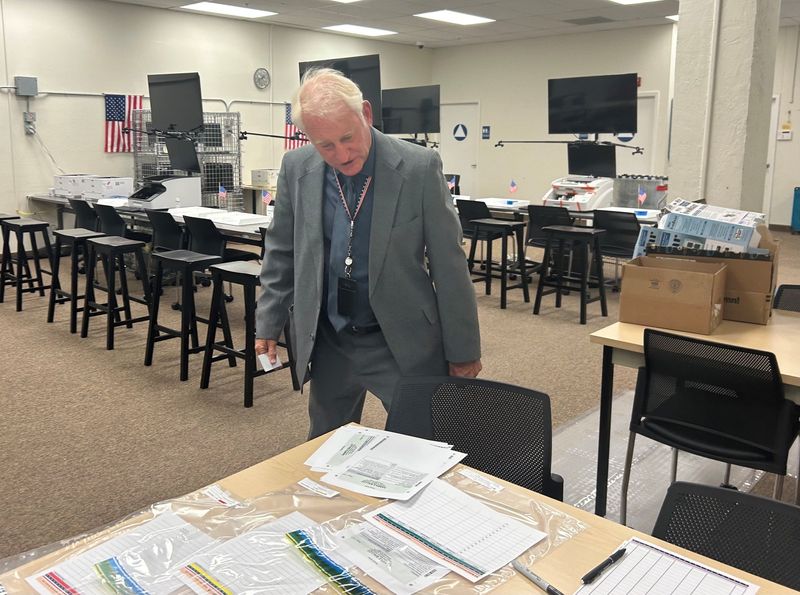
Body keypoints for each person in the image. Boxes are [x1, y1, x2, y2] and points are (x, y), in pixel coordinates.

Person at [256, 68, 481, 439]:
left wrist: (464, 349)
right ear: (308, 137)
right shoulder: (296, 168)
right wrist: (268, 319)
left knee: (423, 444)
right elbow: (282, 251)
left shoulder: (419, 167)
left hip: (402, 340)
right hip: (330, 340)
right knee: (326, 446)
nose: (342, 155)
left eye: (347, 138)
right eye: (325, 145)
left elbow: (449, 265)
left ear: (366, 113)